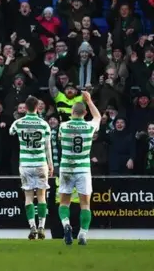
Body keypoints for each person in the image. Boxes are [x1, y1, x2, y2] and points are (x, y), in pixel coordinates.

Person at [58, 91, 101, 246]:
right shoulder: (89, 127)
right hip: (83, 169)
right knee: (85, 204)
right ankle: (82, 234)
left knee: (64, 202)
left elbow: (61, 139)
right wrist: (89, 100)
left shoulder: (63, 126)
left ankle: (66, 225)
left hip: (66, 168)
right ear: (84, 113)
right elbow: (98, 117)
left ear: (71, 112)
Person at [9, 96, 54, 240]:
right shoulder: (44, 124)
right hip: (41, 163)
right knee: (41, 196)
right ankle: (41, 226)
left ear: (26, 107)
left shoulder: (18, 122)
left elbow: (11, 132)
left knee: (28, 197)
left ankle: (32, 227)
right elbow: (48, 146)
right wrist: (50, 164)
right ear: (37, 107)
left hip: (26, 164)